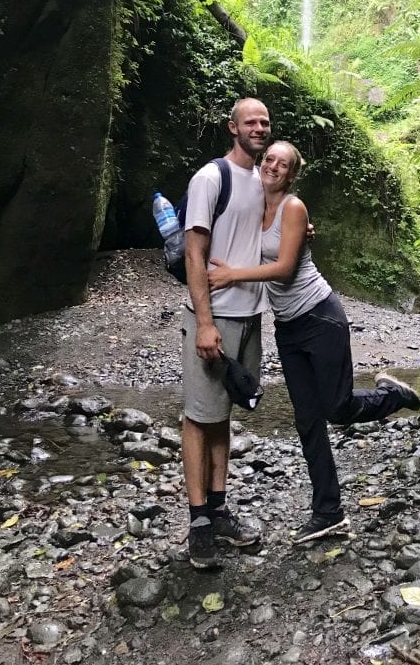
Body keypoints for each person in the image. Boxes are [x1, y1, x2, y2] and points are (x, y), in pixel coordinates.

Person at [208, 140, 420, 544]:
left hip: (320, 316)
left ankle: (392, 397)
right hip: (288, 328)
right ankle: (328, 512)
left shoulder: (292, 207)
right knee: (307, 420)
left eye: (282, 164)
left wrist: (233, 275)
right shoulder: (252, 199)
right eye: (269, 158)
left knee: (337, 408)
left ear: (292, 175)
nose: (272, 166)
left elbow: (286, 270)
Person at [181, 97, 270, 569]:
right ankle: (198, 523)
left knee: (222, 415)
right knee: (199, 415)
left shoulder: (263, 179)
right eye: (250, 121)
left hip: (252, 316)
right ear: (231, 127)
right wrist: (204, 322)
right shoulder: (211, 178)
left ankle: (218, 510)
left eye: (265, 122)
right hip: (216, 316)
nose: (259, 127)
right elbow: (195, 253)